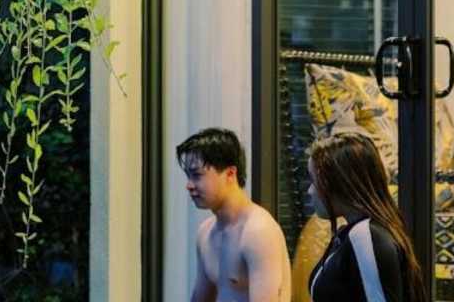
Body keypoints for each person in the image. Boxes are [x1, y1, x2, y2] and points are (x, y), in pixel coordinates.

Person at [306, 132, 427, 302]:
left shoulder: (364, 236)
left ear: (339, 182)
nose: (310, 191)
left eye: (314, 180)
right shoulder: (359, 234)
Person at [177, 128, 291, 302]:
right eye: (188, 176)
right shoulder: (205, 233)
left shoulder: (258, 231)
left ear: (230, 174)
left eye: (197, 175)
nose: (189, 185)